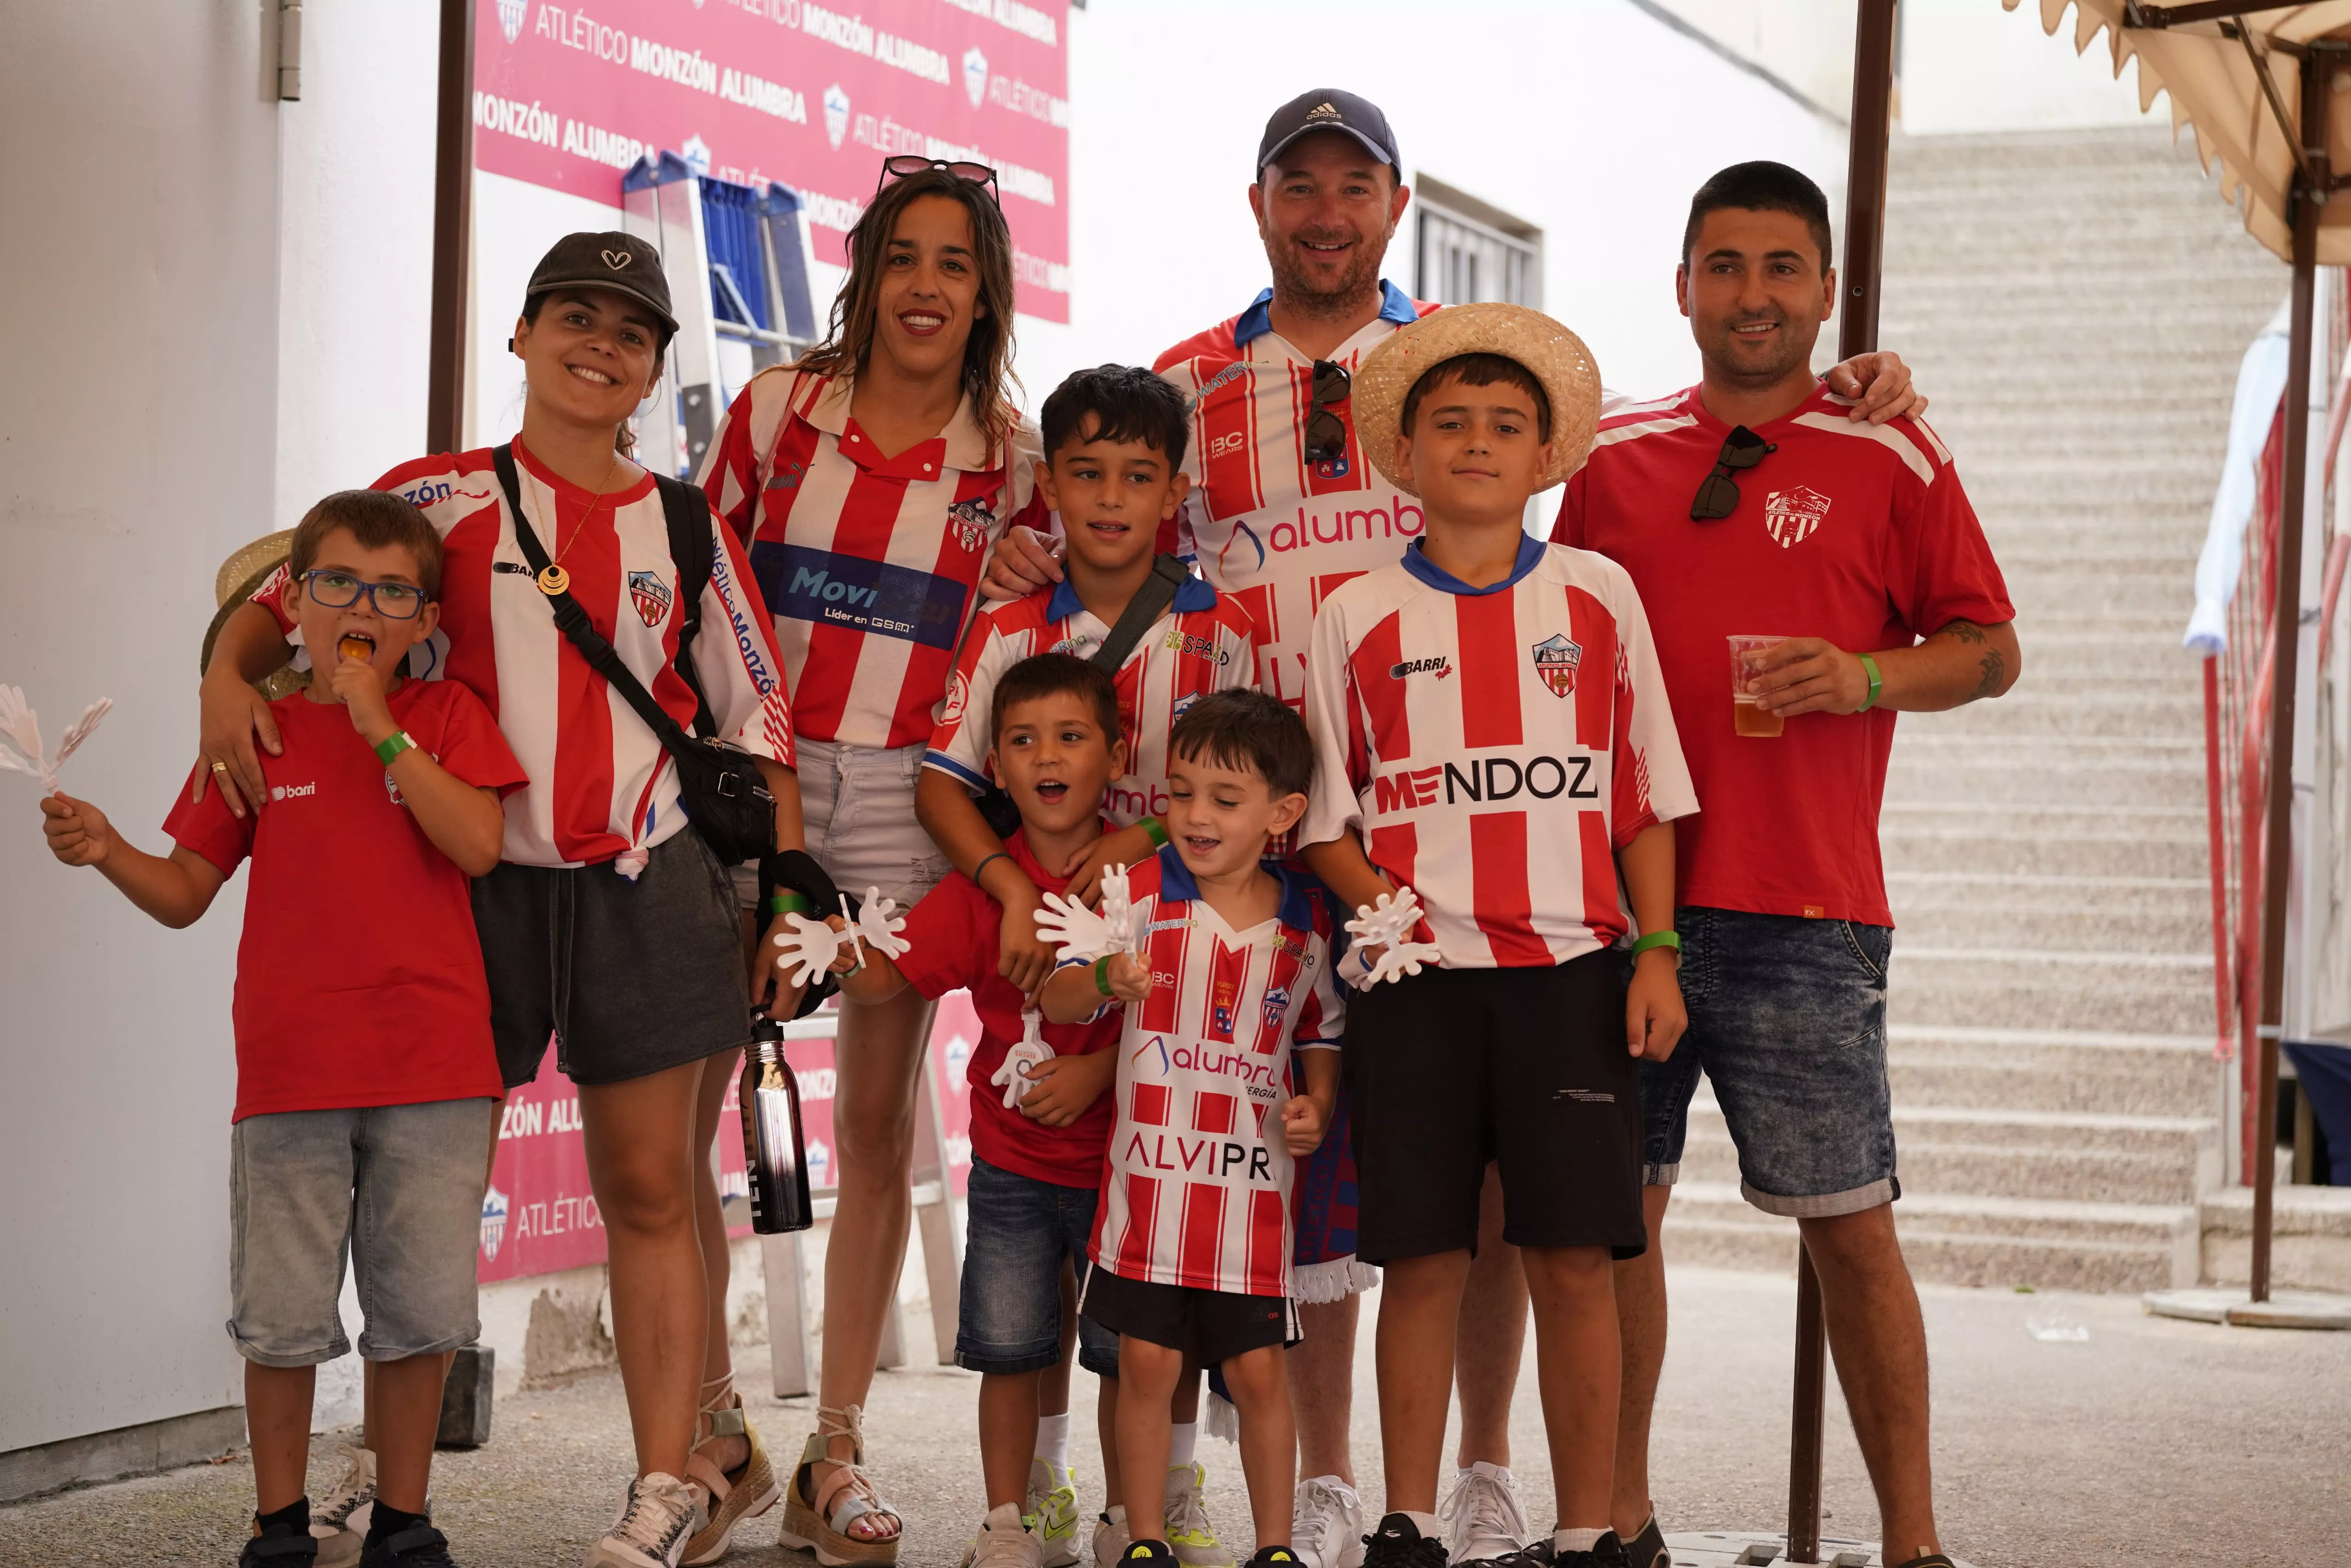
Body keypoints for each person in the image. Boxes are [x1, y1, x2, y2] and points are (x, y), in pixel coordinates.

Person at [984, 89, 1933, 1568]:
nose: (1324, 210)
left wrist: (1857, 387)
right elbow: (1106, 517)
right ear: (1259, 205)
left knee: (1509, 1213)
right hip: (1272, 850)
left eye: (1351, 184)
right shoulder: (1186, 383)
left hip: (1518, 919)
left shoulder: (1460, 378)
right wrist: (1028, 535)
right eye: (1296, 185)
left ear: (1393, 201)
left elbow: (1643, 695)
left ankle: (1498, 1474)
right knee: (1280, 1163)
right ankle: (1295, 1491)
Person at [198, 235, 807, 1568]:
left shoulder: (688, 523)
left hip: (646, 881)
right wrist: (221, 680)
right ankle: (387, 1472)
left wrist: (786, 906)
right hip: (460, 883)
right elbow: (273, 591)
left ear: (652, 366)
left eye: (631, 332)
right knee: (412, 1184)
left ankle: (667, 1482)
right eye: (574, 317)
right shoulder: (440, 493)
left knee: (649, 1187)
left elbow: (762, 721)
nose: (601, 345)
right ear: (523, 336)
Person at [1554, 162, 2018, 1568]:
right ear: (1683, 283)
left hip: (1807, 905)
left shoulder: (1896, 451)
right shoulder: (1612, 454)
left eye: (1781, 267)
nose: (1753, 294)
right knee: (1614, 1225)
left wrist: (1868, 674)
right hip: (1622, 908)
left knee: (1849, 1226)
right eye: (1725, 264)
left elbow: (1992, 648)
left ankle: (1915, 1544)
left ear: (1825, 289)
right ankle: (1617, 1519)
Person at [45, 492, 524, 1568]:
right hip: (291, 1074)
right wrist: (109, 845)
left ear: (424, 618)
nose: (364, 605)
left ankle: (404, 1523)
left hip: (438, 1070)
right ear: (294, 605)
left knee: (421, 1314)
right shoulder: (252, 732)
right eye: (338, 583)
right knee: (282, 1316)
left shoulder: (444, 719)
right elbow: (183, 890)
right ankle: (278, 1527)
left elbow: (481, 844)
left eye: (393, 590)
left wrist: (380, 725)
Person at [1298, 303, 1696, 1568]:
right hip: (1415, 987)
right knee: (1420, 1256)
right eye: (1452, 423)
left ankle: (1588, 1525)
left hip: (1574, 975)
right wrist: (1394, 920)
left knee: (1573, 1253)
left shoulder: (1600, 595)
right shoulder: (1353, 613)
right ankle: (1408, 1519)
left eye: (1507, 426)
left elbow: (1643, 798)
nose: (1478, 443)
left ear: (1546, 459)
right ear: (1403, 455)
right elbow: (1324, 817)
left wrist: (1657, 952)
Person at [699, 156, 1049, 1566]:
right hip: (758, 792)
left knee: (878, 1133)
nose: (925, 285)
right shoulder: (781, 407)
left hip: (914, 804)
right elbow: (695, 579)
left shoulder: (1014, 460)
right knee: (683, 1124)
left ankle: (831, 1451)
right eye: (903, 256)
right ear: (867, 270)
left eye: (953, 262)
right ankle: (709, 1437)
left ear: (986, 290)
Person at [920, 364, 1259, 1568]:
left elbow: (1254, 796)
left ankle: (1161, 1499)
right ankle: (1040, 1499)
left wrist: (1145, 834)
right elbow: (943, 782)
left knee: (1154, 1278)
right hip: (1041, 994)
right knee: (1024, 1299)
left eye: (1138, 475)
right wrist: (1013, 883)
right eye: (1086, 471)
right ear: (1047, 480)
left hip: (1175, 994)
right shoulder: (1010, 621)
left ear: (1176, 489)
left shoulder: (1220, 630)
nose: (1111, 496)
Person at [830, 652, 1129, 1568]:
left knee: (1132, 1359)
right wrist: (825, 940)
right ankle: (1010, 1519)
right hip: (1011, 1168)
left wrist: (1098, 1072)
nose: (1048, 756)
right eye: (1024, 739)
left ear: (1115, 759)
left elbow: (1190, 999)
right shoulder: (975, 896)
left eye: (1071, 737)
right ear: (994, 765)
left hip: (1135, 1168)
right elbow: (887, 980)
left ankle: (1134, 1516)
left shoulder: (1144, 877)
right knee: (1007, 1353)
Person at [1040, 690, 1343, 1568]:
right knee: (1144, 1365)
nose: (1196, 815)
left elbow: (1323, 1031)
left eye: (1224, 797)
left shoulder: (1307, 920)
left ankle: (1277, 1547)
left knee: (1257, 1375)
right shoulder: (1134, 892)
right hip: (1149, 1199)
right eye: (1180, 793)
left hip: (1251, 1205)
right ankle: (1142, 1540)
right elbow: (1056, 994)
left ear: (1284, 815)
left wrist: (1315, 1103)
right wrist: (1103, 977)